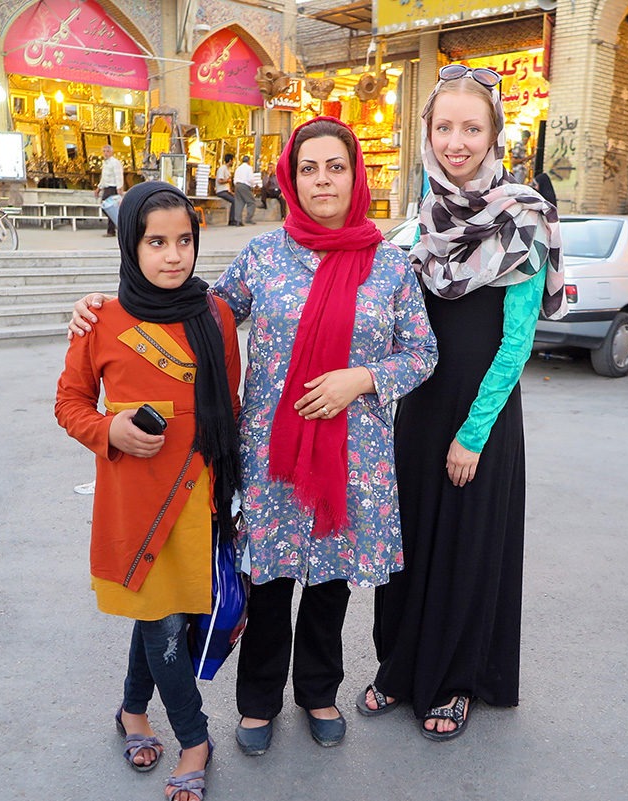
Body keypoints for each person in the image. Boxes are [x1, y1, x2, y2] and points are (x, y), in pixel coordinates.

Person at [67, 117, 438, 755]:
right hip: (270, 455)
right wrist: (106, 309)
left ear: (357, 176)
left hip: (354, 457)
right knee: (267, 586)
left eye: (336, 167)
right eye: (309, 169)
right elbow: (193, 308)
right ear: (291, 180)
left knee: (329, 584)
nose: (323, 180)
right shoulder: (264, 258)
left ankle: (319, 692)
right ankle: (258, 703)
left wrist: (365, 377)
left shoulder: (390, 266)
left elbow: (422, 353)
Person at [361, 64, 569, 741]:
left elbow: (515, 346)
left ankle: (455, 680)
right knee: (410, 543)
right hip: (417, 413)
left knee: (466, 550)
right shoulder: (416, 227)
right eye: (444, 126)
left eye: (471, 127)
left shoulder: (523, 220)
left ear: (493, 133)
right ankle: (398, 667)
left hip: (481, 417)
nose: (457, 141)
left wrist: (472, 434)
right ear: (427, 133)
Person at [55, 181, 243, 801]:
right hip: (136, 505)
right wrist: (108, 429)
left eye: (184, 241)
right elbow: (70, 403)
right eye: (155, 241)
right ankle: (195, 739)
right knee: (160, 622)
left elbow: (230, 404)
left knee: (160, 613)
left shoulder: (214, 314)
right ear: (129, 245)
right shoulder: (101, 321)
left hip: (200, 499)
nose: (172, 255)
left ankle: (132, 712)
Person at [94, 144, 125, 236]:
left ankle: (111, 230)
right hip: (107, 188)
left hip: (113, 188)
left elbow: (118, 175)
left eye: (107, 151)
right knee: (107, 208)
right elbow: (104, 178)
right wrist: (99, 188)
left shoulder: (115, 162)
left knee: (110, 209)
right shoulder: (105, 163)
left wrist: (119, 187)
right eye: (104, 151)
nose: (105, 153)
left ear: (111, 152)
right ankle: (114, 228)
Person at [214, 153, 237, 226]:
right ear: (230, 160)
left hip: (226, 190)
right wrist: (227, 181)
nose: (233, 162)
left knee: (236, 199)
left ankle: (234, 218)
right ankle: (232, 220)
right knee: (234, 201)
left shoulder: (227, 169)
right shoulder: (222, 169)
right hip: (221, 191)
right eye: (232, 161)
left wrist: (231, 192)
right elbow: (220, 181)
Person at [233, 154, 256, 226]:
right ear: (248, 161)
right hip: (244, 185)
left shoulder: (238, 168)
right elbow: (250, 179)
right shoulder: (249, 168)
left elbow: (235, 178)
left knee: (239, 202)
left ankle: (238, 220)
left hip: (237, 185)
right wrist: (254, 185)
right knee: (251, 202)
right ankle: (248, 218)